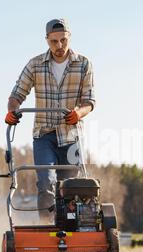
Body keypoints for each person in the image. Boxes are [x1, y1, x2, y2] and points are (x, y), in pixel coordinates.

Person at [5, 18, 95, 224]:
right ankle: (46, 229)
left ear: (69, 37)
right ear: (47, 40)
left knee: (70, 186)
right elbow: (17, 94)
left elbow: (89, 101)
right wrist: (12, 111)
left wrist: (78, 113)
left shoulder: (83, 64)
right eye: (54, 41)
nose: (59, 46)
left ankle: (69, 229)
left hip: (72, 137)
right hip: (44, 135)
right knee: (46, 182)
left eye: (63, 40)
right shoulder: (35, 64)